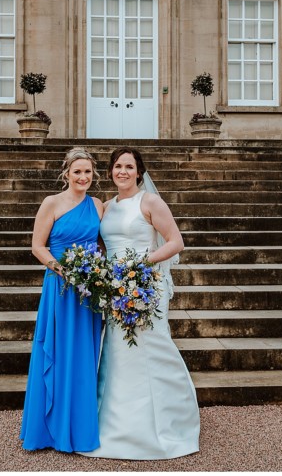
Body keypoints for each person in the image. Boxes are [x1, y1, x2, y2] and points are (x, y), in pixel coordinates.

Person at [79, 147, 200, 460]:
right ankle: (116, 426)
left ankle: (166, 423)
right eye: (118, 166)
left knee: (152, 348)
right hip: (114, 288)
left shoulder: (150, 201)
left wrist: (140, 265)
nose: (123, 171)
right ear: (110, 172)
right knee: (117, 353)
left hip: (144, 285)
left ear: (139, 171)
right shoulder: (106, 206)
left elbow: (176, 242)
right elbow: (103, 245)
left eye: (129, 166)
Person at [19, 147, 105, 452]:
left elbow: (102, 244)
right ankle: (48, 429)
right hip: (60, 288)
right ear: (66, 173)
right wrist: (62, 270)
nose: (83, 177)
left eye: (88, 172)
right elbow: (37, 246)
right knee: (56, 350)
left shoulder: (98, 205)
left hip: (88, 292)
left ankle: (79, 426)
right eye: (77, 171)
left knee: (83, 355)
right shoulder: (51, 203)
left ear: (94, 174)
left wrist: (103, 274)